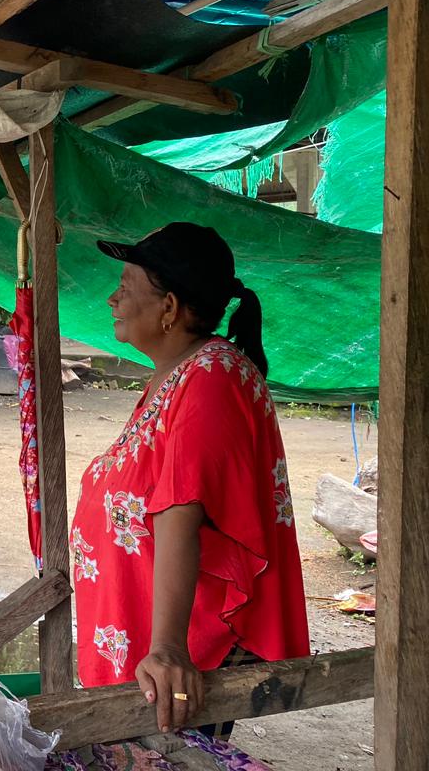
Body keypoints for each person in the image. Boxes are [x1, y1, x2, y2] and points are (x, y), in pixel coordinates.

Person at [71, 222, 308, 737]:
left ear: (170, 307)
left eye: (126, 287)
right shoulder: (180, 373)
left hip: (183, 660)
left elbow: (183, 507)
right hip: (141, 647)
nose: (113, 298)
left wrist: (168, 649)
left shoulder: (210, 377)